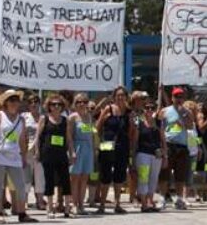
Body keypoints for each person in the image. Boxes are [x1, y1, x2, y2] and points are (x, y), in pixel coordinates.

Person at [0, 90, 38, 224]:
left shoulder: (21, 119)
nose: (14, 102)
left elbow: (22, 139)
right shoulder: (0, 115)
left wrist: (23, 156)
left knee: (21, 186)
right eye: (11, 100)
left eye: (16, 100)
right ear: (5, 103)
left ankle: (22, 213)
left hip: (14, 156)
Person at [96, 86, 135, 214]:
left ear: (126, 97)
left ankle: (117, 204)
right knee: (105, 174)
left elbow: (131, 133)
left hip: (122, 145)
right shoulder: (108, 109)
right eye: (118, 95)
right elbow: (97, 127)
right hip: (107, 144)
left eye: (122, 95)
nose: (120, 97)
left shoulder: (129, 112)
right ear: (114, 97)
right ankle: (102, 204)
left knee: (120, 174)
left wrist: (132, 123)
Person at [36, 94, 73, 218]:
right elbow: (38, 137)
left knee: (65, 180)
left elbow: (69, 138)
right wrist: (37, 151)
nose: (56, 107)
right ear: (49, 106)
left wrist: (72, 152)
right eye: (53, 104)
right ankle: (50, 208)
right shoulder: (44, 119)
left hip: (61, 153)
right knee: (49, 180)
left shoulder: (65, 120)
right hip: (48, 153)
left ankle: (67, 208)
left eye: (59, 104)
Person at [158, 87, 194, 210]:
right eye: (176, 96)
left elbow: (190, 126)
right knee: (165, 173)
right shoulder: (165, 111)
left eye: (180, 97)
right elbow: (160, 128)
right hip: (169, 144)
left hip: (182, 146)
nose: (178, 99)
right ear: (172, 98)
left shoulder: (187, 112)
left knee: (180, 175)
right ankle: (162, 197)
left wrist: (183, 116)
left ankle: (179, 199)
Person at [131, 91, 165, 212]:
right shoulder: (139, 123)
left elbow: (163, 140)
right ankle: (144, 203)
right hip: (143, 154)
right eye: (147, 108)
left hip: (156, 155)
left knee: (153, 178)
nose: (149, 110)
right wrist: (133, 157)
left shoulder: (159, 123)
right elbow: (135, 141)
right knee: (143, 178)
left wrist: (165, 155)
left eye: (152, 108)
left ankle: (150, 201)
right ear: (143, 109)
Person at [68, 93, 96, 215]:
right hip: (77, 147)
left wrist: (94, 149)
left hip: (88, 149)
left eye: (84, 102)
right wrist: (72, 151)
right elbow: (69, 136)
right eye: (78, 102)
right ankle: (74, 204)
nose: (81, 104)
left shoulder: (89, 117)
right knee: (75, 178)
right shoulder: (72, 117)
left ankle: (81, 205)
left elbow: (92, 133)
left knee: (84, 178)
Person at [23, 93, 47, 211]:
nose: (33, 104)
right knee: (26, 176)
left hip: (40, 151)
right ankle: (25, 201)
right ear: (28, 104)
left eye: (36, 101)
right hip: (27, 150)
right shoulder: (24, 117)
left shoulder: (43, 117)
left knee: (40, 176)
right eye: (31, 102)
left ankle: (39, 201)